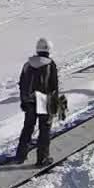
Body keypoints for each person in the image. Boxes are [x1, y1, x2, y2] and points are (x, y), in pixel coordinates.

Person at [14, 38, 59, 166]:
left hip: (29, 100)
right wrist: (54, 104)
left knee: (28, 127)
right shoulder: (50, 64)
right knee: (44, 129)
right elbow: (54, 86)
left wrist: (23, 100)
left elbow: (22, 83)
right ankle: (42, 158)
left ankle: (20, 156)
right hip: (44, 99)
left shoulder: (27, 64)